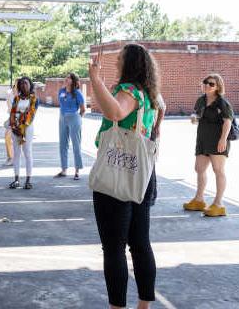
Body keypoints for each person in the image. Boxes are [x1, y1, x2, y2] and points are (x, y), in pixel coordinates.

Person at [88, 44, 160, 309]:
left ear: (128, 64)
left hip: (117, 175)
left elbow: (115, 113)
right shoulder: (149, 95)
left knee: (114, 248)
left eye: (119, 60)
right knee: (140, 243)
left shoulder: (128, 91)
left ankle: (117, 307)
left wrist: (95, 80)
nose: (116, 63)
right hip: (142, 173)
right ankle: (144, 305)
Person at [183, 74, 233, 218]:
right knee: (199, 169)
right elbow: (197, 115)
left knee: (218, 170)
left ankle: (218, 204)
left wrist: (223, 139)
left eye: (211, 84)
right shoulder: (201, 100)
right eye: (205, 82)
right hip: (203, 140)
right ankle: (199, 200)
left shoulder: (222, 103)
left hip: (217, 140)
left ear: (218, 87)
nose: (207, 85)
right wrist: (194, 118)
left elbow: (227, 122)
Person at [8, 76, 38, 190]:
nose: (23, 85)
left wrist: (20, 128)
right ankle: (16, 179)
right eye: (21, 84)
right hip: (15, 128)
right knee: (16, 153)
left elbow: (31, 115)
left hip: (27, 128)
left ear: (30, 85)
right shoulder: (16, 98)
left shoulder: (33, 99)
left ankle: (28, 180)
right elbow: (12, 112)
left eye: (26, 83)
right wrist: (13, 126)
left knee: (27, 152)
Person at [56, 72, 86, 180]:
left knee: (76, 145)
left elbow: (83, 110)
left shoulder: (77, 93)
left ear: (73, 81)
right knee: (62, 144)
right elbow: (61, 104)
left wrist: (77, 119)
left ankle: (77, 171)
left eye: (69, 78)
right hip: (62, 118)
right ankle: (64, 170)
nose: (66, 79)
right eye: (66, 77)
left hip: (74, 118)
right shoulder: (61, 91)